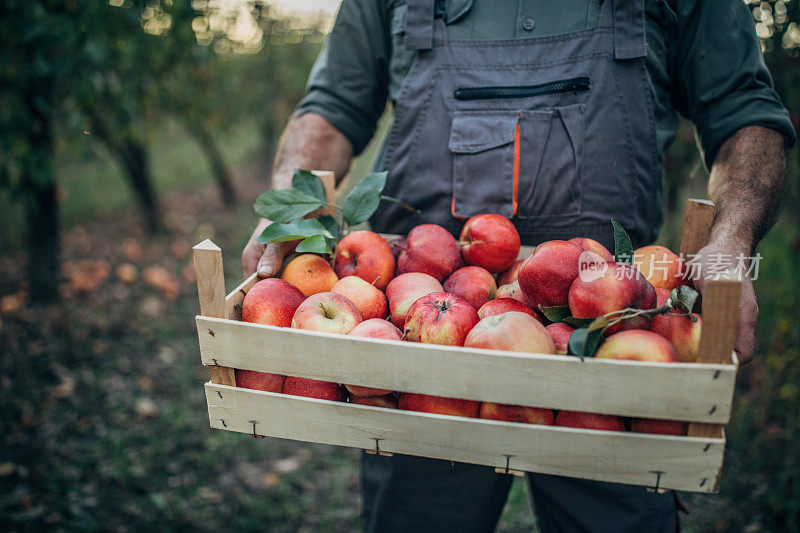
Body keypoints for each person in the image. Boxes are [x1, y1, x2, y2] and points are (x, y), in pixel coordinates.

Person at [242, 0, 795, 530]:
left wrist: (731, 238)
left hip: (613, 339)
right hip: (422, 354)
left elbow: (743, 111)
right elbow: (333, 107)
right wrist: (290, 207)